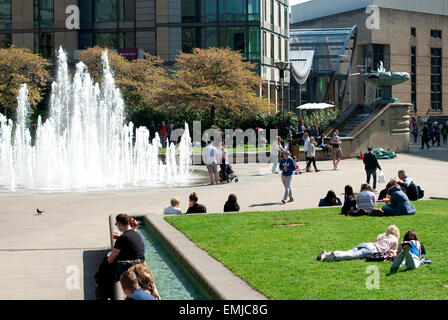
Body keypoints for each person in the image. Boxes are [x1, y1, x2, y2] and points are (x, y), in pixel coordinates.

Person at [318, 225, 400, 262]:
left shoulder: (382, 235)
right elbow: (392, 252)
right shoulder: (395, 239)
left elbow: (376, 241)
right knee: (353, 256)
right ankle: (335, 256)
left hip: (368, 244)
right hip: (373, 249)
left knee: (349, 251)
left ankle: (325, 254)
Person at [108, 214, 145, 278]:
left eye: (116, 224)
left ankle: (100, 285)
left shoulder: (122, 238)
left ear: (119, 224)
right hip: (140, 264)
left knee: (105, 264)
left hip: (128, 267)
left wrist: (109, 257)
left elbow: (110, 259)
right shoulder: (137, 234)